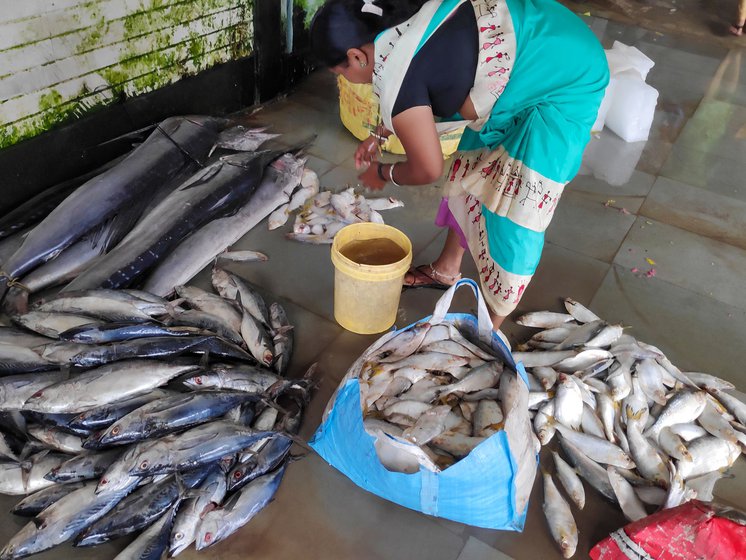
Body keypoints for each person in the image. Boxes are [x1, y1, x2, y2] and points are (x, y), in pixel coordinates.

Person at [310, 0, 608, 330]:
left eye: (341, 74)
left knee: (515, 208)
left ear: (356, 57)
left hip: (567, 76)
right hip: (538, 37)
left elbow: (427, 168)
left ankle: (491, 326)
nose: (348, 79)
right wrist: (379, 136)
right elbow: (421, 81)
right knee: (468, 168)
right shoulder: (395, 22)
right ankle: (446, 268)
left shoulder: (402, 75)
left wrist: (382, 173)